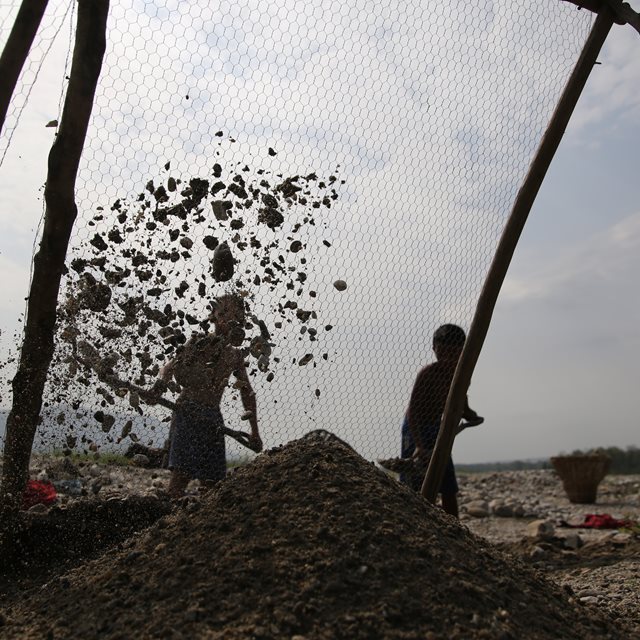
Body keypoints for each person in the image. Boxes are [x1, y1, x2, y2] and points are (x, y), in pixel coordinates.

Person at [150, 294, 263, 497]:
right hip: (187, 411)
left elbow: (247, 393)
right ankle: (169, 518)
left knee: (213, 482)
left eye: (237, 315)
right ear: (214, 317)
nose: (231, 319)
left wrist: (254, 431)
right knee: (181, 475)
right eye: (225, 313)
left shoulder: (235, 356)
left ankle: (204, 523)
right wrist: (159, 387)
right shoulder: (198, 342)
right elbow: (169, 367)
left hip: (212, 416)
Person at [401, 324, 483, 517]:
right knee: (414, 481)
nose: (447, 358)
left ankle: (454, 528)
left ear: (462, 351)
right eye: (443, 352)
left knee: (446, 481)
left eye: (453, 353)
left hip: (439, 429)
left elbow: (462, 401)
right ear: (434, 348)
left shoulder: (461, 374)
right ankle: (414, 521)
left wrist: (469, 414)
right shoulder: (428, 373)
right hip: (415, 430)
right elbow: (413, 412)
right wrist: (419, 446)